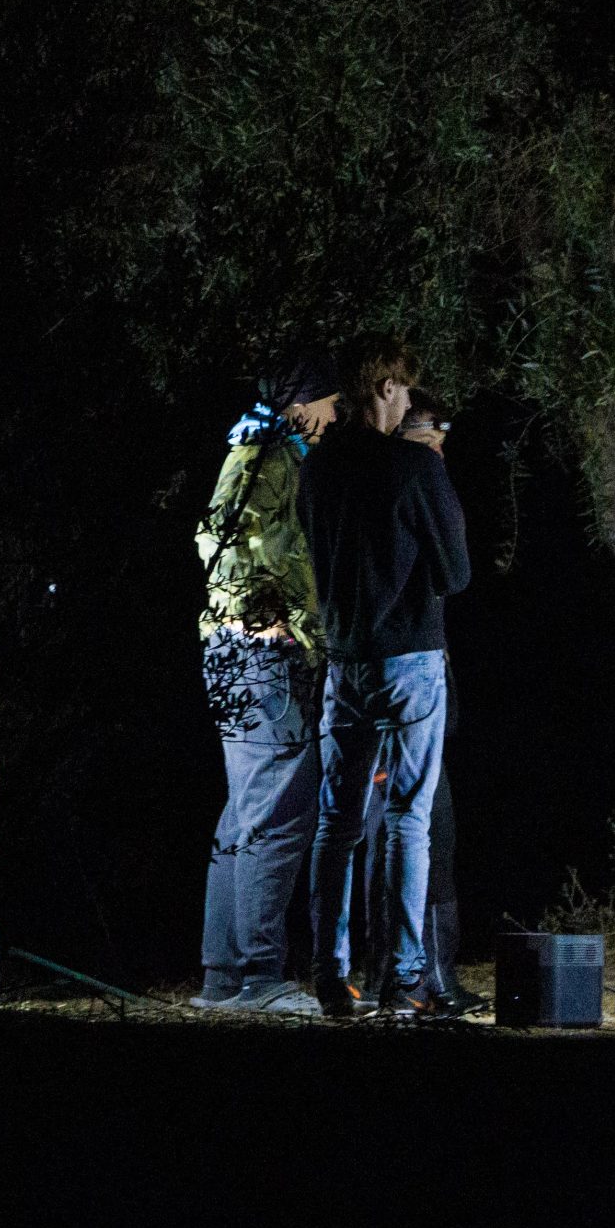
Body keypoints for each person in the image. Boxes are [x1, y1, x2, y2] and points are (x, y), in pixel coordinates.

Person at [297, 335, 471, 1020]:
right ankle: (404, 977)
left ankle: (329, 975)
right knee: (408, 819)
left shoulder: (317, 468)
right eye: (403, 391)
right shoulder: (414, 466)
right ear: (387, 387)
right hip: (410, 658)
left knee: (337, 823)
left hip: (344, 659)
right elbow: (456, 571)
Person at [192, 350, 340, 1015]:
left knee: (244, 813)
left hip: (237, 654)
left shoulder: (257, 451)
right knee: (279, 812)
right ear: (302, 405)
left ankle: (224, 978)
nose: (335, 417)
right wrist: (268, 619)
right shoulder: (268, 458)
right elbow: (225, 538)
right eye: (331, 404)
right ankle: (259, 976)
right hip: (261, 658)